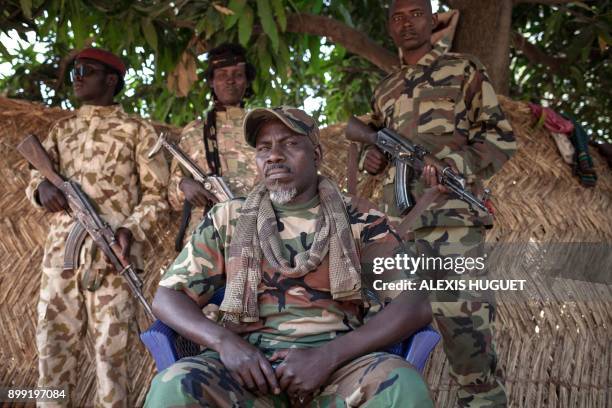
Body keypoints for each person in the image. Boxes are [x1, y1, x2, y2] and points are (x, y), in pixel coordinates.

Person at [145, 107, 434, 407]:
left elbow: (416, 302)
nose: (274, 156)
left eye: (290, 143)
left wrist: (328, 356)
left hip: (340, 370)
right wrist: (224, 341)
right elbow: (168, 297)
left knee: (403, 386)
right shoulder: (228, 219)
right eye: (263, 148)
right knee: (174, 386)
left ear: (317, 155)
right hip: (246, 375)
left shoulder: (360, 218)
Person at [362, 1, 517, 406]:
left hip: (454, 228)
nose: (406, 23)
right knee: (387, 338)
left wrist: (452, 165)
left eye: (416, 13)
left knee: (470, 342)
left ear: (433, 20)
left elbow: (500, 138)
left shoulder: (464, 70)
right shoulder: (385, 90)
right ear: (389, 28)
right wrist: (372, 157)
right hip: (400, 231)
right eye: (397, 17)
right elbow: (372, 143)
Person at [25, 48, 169, 406]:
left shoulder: (137, 131)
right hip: (61, 258)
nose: (77, 76)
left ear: (110, 80)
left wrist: (130, 230)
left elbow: (158, 195)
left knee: (112, 360)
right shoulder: (63, 130)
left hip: (112, 261)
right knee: (53, 354)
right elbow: (35, 175)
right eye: (74, 69)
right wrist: (40, 189)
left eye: (86, 70)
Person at [168, 43, 258, 249]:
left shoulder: (262, 125)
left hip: (254, 233)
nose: (230, 81)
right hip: (203, 238)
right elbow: (172, 196)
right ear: (211, 81)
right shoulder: (194, 131)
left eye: (237, 74)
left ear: (246, 81)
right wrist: (184, 186)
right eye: (222, 75)